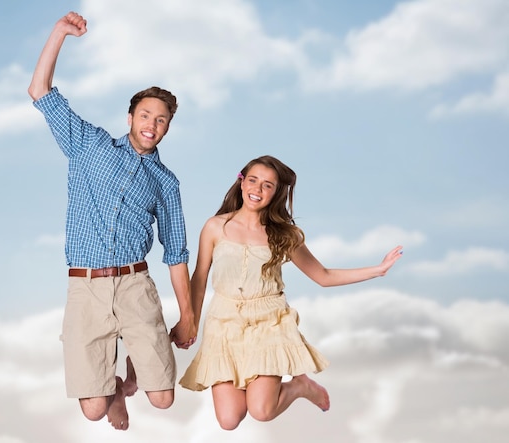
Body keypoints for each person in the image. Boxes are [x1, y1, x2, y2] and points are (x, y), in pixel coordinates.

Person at [28, 12, 197, 431]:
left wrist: (190, 314)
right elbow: (40, 90)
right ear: (130, 117)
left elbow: (175, 254)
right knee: (92, 410)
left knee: (163, 398)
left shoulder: (167, 183)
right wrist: (59, 33)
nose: (151, 126)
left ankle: (132, 385)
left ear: (168, 127)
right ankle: (116, 390)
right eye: (145, 116)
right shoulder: (89, 145)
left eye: (161, 120)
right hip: (86, 288)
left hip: (136, 286)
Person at [179, 155, 403, 430]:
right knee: (228, 419)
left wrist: (377, 270)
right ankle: (297, 385)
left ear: (276, 193)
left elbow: (323, 276)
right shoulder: (216, 226)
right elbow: (199, 278)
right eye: (253, 181)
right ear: (241, 182)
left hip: (268, 325)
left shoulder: (284, 235)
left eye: (267, 185)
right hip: (224, 325)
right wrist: (188, 321)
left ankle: (299, 386)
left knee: (261, 411)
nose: (257, 190)